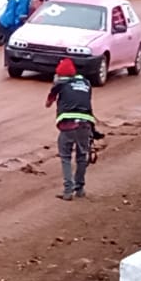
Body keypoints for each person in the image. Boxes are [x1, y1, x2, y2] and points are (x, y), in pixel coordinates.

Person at [45, 58, 96, 200]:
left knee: (65, 157)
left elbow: (48, 102)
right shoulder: (86, 83)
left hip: (68, 125)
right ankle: (80, 188)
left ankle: (68, 191)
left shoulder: (60, 84)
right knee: (82, 156)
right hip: (85, 124)